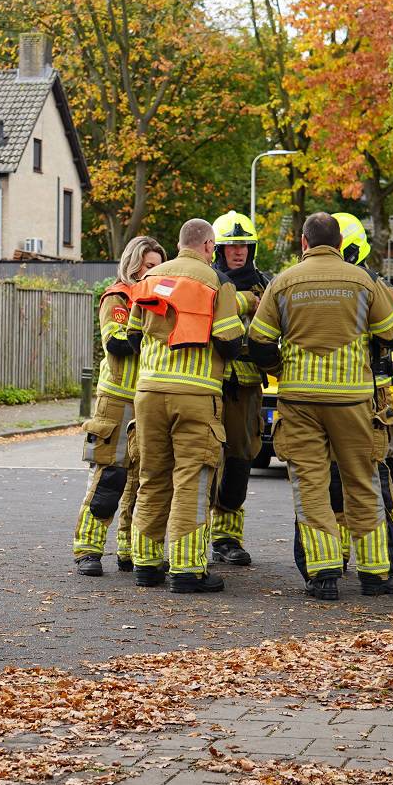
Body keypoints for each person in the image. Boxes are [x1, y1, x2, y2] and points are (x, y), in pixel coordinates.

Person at [248, 211, 393, 600]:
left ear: (303, 242)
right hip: (352, 401)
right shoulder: (364, 281)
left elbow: (259, 341)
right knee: (362, 481)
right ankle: (375, 574)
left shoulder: (283, 282)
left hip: (300, 401)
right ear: (339, 244)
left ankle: (323, 575)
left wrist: (281, 368)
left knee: (311, 486)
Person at [128, 219, 246, 593]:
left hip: (148, 393)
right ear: (209, 246)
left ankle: (146, 564)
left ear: (179, 244)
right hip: (195, 395)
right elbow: (229, 342)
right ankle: (187, 569)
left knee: (152, 477)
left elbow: (132, 335)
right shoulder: (217, 282)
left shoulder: (149, 278)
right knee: (192, 481)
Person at [328, 211, 393, 578]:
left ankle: (391, 554)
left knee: (373, 474)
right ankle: (340, 552)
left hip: (370, 395)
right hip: (338, 393)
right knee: (335, 477)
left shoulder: (378, 287)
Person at [73, 235, 166, 574]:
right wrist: (154, 331)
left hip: (147, 399)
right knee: (109, 477)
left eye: (158, 267)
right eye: (149, 265)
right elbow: (115, 342)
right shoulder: (118, 296)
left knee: (141, 480)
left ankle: (128, 550)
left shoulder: (158, 300)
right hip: (117, 399)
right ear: (133, 264)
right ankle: (88, 550)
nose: (153, 272)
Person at [210, 210, 270, 567]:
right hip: (209, 383)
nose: (238, 251)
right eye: (231, 245)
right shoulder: (208, 283)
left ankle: (227, 538)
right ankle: (193, 536)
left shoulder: (265, 286)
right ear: (218, 249)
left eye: (244, 245)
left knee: (239, 462)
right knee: (203, 459)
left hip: (246, 389)